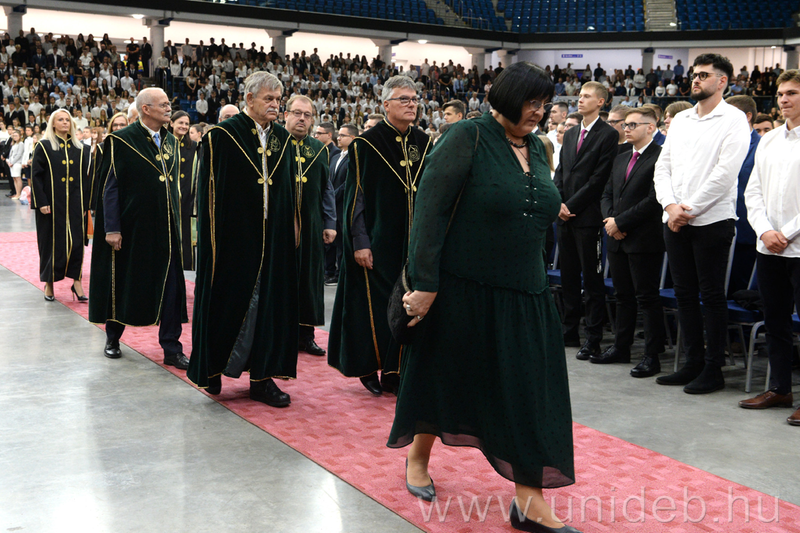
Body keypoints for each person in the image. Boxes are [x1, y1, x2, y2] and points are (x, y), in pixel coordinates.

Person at [388, 62, 579, 533]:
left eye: (544, 104)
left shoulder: (539, 147)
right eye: (530, 102)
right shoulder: (467, 137)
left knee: (530, 396)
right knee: (441, 377)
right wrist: (424, 284)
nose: (539, 111)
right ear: (506, 99)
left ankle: (529, 501)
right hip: (463, 291)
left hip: (528, 295)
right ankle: (418, 457)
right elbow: (429, 214)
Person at [188, 72, 299, 407]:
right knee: (226, 303)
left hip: (273, 238)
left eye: (278, 99)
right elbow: (208, 195)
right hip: (232, 240)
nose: (275, 105)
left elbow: (288, 191)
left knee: (269, 307)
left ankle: (262, 379)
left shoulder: (283, 139)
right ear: (249, 99)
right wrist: (211, 241)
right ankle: (213, 369)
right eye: (269, 99)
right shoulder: (222, 136)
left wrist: (291, 227)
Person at [327, 76, 432, 396]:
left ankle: (395, 371)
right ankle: (368, 367)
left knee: (407, 306)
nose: (412, 104)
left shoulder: (424, 141)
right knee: (374, 308)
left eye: (414, 99)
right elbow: (355, 198)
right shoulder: (366, 144)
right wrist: (360, 242)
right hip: (378, 243)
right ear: (386, 104)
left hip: (414, 244)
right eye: (404, 99)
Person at [653, 54, 750, 394]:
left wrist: (688, 209)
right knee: (684, 294)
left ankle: (713, 368)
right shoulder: (681, 120)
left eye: (704, 75)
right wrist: (669, 205)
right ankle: (692, 362)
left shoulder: (734, 119)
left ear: (722, 81)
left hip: (711, 220)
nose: (695, 79)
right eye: (695, 74)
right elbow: (663, 166)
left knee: (711, 295)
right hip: (674, 218)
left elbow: (725, 174)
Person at [89, 88, 189, 370]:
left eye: (169, 104)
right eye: (163, 104)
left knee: (170, 288)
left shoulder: (171, 141)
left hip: (166, 228)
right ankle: (113, 338)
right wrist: (112, 228)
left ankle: (172, 348)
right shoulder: (120, 140)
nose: (169, 108)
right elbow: (110, 187)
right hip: (131, 229)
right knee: (124, 282)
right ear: (146, 108)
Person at [740, 69, 800, 426]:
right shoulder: (770, 139)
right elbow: (753, 191)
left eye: (792, 93)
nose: (784, 99)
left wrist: (786, 232)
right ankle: (780, 388)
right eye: (781, 94)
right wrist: (764, 230)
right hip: (770, 247)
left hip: (797, 245)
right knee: (775, 320)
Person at [597, 107, 666, 376]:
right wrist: (610, 221)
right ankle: (621, 347)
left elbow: (654, 199)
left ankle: (652, 355)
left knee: (646, 297)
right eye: (625, 124)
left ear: (651, 127)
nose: (626, 129)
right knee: (623, 296)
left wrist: (621, 223)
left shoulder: (660, 156)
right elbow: (607, 194)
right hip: (617, 236)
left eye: (633, 125)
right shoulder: (621, 156)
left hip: (643, 238)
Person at [553, 81, 619, 358]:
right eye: (579, 96)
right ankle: (569, 330)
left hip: (588, 216)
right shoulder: (571, 133)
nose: (580, 100)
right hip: (564, 216)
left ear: (601, 102)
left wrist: (570, 205)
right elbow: (561, 172)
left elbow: (598, 179)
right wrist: (557, 201)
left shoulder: (608, 134)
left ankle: (593, 337)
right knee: (568, 277)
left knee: (591, 280)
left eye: (587, 96)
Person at [284, 95, 337, 356]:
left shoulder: (319, 148)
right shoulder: (274, 144)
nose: (302, 119)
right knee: (284, 280)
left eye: (307, 115)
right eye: (297, 113)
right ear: (286, 115)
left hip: (312, 225)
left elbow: (326, 188)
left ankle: (307, 335)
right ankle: (282, 334)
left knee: (310, 282)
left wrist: (330, 222)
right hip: (281, 228)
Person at [29, 109, 93, 302]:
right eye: (61, 119)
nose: (65, 122)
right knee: (50, 243)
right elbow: (36, 176)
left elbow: (86, 180)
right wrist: (41, 202)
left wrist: (85, 204)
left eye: (67, 119)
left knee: (76, 243)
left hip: (75, 204)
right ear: (53, 124)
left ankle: (77, 282)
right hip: (50, 205)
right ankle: (49, 284)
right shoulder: (44, 146)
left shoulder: (82, 149)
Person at [725, 95, 761, 295]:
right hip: (719, 228)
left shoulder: (761, 147)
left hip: (746, 231)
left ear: (747, 116)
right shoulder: (722, 144)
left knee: (739, 291)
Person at [325, 123, 356, 285]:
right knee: (336, 243)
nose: (339, 138)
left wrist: (332, 196)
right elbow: (329, 180)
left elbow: (348, 183)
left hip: (344, 205)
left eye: (343, 135)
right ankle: (334, 273)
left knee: (344, 244)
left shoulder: (354, 158)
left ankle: (341, 274)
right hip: (334, 207)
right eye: (339, 135)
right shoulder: (336, 156)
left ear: (353, 138)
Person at [170, 110, 199, 270]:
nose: (184, 126)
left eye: (187, 124)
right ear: (171, 123)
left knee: (186, 237)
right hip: (169, 198)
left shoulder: (193, 147)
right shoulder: (164, 144)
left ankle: (186, 270)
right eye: (180, 122)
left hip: (187, 199)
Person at [6, 127, 22, 198]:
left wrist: (12, 162)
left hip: (17, 163)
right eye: (14, 136)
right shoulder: (14, 144)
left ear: (20, 136)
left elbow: (19, 154)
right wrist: (9, 161)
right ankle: (16, 193)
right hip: (11, 164)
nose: (15, 137)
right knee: (14, 179)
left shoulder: (21, 144)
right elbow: (11, 154)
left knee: (17, 178)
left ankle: (19, 194)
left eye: (16, 136)